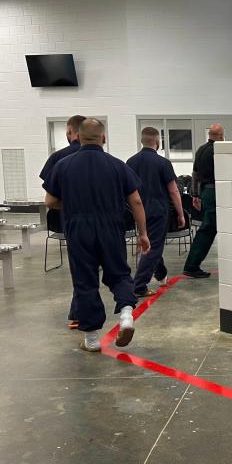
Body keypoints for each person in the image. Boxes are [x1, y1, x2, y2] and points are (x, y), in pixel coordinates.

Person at [44, 119, 151, 353]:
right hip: (111, 226)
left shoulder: (63, 165)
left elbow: (50, 201)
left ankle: (92, 339)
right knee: (119, 273)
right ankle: (125, 315)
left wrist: (73, 204)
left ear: (78, 137)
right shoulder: (117, 165)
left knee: (85, 279)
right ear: (103, 138)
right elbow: (136, 201)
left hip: (78, 227)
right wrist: (143, 233)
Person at [127, 127, 185, 298]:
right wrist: (181, 213)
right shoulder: (163, 163)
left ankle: (161, 274)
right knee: (153, 247)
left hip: (137, 210)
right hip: (158, 210)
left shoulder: (130, 162)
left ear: (142, 141)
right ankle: (139, 285)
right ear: (158, 142)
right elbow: (173, 190)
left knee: (151, 242)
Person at [40, 115, 86, 329]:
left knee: (80, 267)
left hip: (70, 221)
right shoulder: (106, 159)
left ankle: (79, 313)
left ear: (70, 132)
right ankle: (124, 309)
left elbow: (50, 197)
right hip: (104, 221)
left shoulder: (58, 159)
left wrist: (67, 205)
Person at [182, 123, 223, 278]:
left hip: (205, 192)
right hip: (214, 192)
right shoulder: (217, 150)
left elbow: (195, 174)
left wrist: (195, 195)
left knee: (207, 228)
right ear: (220, 136)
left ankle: (192, 265)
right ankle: (192, 265)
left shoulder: (200, 150)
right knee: (208, 229)